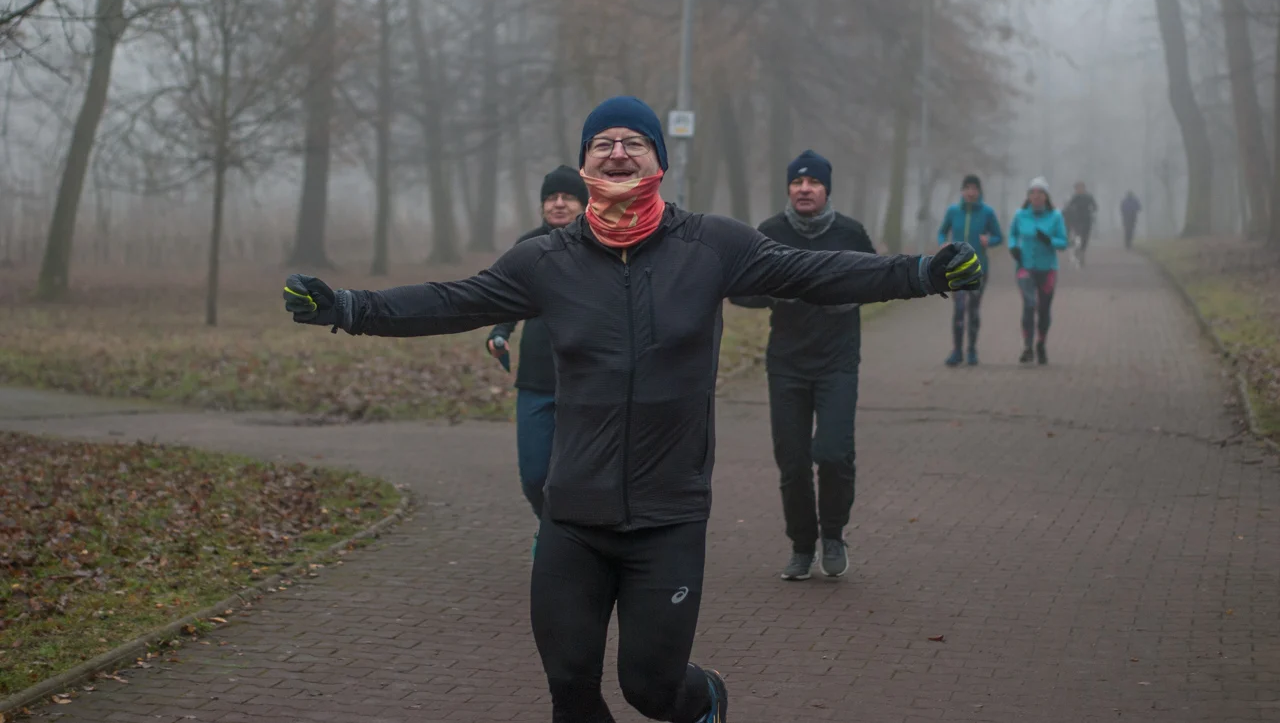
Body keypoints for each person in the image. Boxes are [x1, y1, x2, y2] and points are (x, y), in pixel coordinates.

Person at [282, 95, 983, 723]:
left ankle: (706, 701)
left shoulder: (713, 246)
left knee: (651, 688)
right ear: (586, 163)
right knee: (570, 688)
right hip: (573, 516)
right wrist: (348, 307)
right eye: (602, 143)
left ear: (658, 161)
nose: (618, 152)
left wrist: (921, 272)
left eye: (634, 142)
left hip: (667, 518)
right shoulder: (545, 260)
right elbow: (450, 300)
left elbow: (818, 272)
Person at [729, 150, 875, 582]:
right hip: (787, 364)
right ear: (789, 189)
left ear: (827, 188)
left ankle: (833, 534)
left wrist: (838, 295)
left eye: (813, 183)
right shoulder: (770, 234)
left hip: (837, 362)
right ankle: (801, 546)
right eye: (797, 183)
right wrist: (777, 293)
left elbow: (874, 282)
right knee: (791, 462)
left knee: (832, 453)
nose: (804, 189)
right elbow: (741, 289)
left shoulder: (850, 233)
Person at [486, 165, 588, 553]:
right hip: (536, 379)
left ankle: (565, 541)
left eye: (567, 197)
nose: (558, 204)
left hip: (587, 379)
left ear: (584, 203)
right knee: (534, 474)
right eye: (551, 197)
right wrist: (499, 333)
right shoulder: (528, 247)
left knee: (577, 473)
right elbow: (503, 296)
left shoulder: (601, 246)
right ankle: (549, 523)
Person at [936, 174, 1003, 367]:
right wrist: (943, 243)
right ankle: (956, 351)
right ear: (962, 191)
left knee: (973, 310)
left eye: (974, 189)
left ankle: (972, 350)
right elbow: (942, 231)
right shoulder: (953, 212)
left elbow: (999, 236)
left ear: (979, 192)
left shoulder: (987, 213)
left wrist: (989, 241)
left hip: (978, 268)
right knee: (958, 309)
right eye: (967, 188)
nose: (970, 192)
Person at [1008, 176, 1068, 365]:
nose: (1036, 196)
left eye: (1040, 193)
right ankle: (1027, 347)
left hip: (1047, 269)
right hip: (1025, 267)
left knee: (1043, 309)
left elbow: (1064, 242)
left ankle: (1041, 343)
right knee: (1029, 304)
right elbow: (1012, 235)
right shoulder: (1020, 215)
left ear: (1046, 196)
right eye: (1033, 193)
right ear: (1028, 196)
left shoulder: (1055, 216)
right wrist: (1013, 248)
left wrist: (1050, 241)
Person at [1062, 181, 1098, 267]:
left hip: (1087, 219)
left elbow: (1095, 207)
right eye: (1077, 188)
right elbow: (1068, 207)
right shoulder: (1075, 197)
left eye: (1080, 187)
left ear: (1084, 188)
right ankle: (1077, 249)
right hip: (1077, 220)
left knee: (1085, 237)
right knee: (1078, 235)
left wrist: (1092, 210)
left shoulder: (1089, 197)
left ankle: (1082, 252)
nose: (1079, 189)